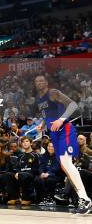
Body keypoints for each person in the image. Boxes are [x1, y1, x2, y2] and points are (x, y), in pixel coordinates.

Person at [34, 74, 91, 214]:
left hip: (64, 129)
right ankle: (82, 198)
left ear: (46, 82)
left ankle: (85, 199)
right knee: (65, 166)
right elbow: (46, 114)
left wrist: (61, 119)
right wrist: (42, 124)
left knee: (66, 163)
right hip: (55, 134)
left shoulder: (53, 93)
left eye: (42, 80)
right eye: (37, 81)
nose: (39, 83)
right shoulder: (38, 99)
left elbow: (73, 105)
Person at [6, 137, 40, 205]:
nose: (25, 143)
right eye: (23, 142)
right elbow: (18, 168)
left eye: (27, 141)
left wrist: (21, 173)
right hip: (21, 174)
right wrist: (17, 173)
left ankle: (27, 198)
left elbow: (36, 169)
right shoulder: (21, 156)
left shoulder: (35, 155)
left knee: (23, 175)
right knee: (9, 175)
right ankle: (15, 197)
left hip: (31, 174)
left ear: (31, 143)